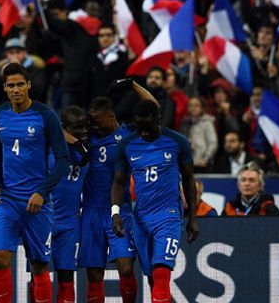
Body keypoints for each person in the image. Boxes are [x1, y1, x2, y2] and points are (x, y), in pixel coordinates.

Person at [0, 62, 70, 303]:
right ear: (4, 88)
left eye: (20, 84)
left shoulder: (46, 115)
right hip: (8, 202)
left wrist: (42, 192)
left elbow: (63, 160)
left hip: (38, 204)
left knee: (40, 266)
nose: (16, 89)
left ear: (29, 85)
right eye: (11, 85)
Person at [111, 100, 199, 303]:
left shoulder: (178, 142)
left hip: (168, 216)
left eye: (147, 126)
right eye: (139, 127)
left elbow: (188, 179)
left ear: (158, 119)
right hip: (140, 217)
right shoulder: (127, 145)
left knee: (161, 273)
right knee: (152, 277)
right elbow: (118, 181)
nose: (143, 132)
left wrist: (192, 218)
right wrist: (115, 212)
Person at [81, 80, 157, 303]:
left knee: (125, 268)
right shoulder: (88, 138)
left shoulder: (129, 135)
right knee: (94, 274)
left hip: (119, 210)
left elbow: (153, 108)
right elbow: (57, 128)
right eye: (90, 121)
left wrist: (133, 85)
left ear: (111, 116)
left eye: (97, 121)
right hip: (91, 211)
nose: (93, 126)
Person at [49, 106, 90, 303]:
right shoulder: (48, 145)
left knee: (66, 278)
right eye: (77, 128)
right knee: (40, 275)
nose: (83, 132)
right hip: (45, 219)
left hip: (70, 222)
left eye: (85, 127)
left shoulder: (89, 150)